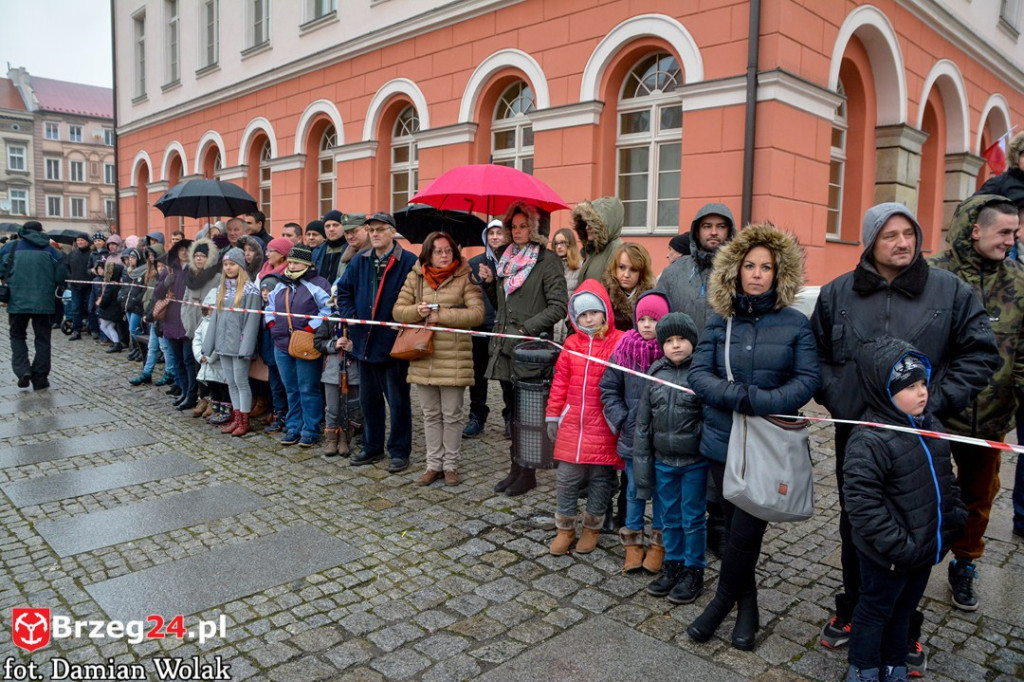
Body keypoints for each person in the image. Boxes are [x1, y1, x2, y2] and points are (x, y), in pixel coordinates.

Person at [810, 203, 997, 669]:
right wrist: (843, 400)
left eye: (909, 233)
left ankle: (905, 628)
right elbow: (815, 355)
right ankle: (855, 608)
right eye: (890, 234)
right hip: (858, 433)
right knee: (858, 522)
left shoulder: (949, 291)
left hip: (922, 438)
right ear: (871, 241)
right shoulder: (837, 293)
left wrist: (932, 402)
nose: (902, 242)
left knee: (916, 522)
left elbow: (980, 353)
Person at [686, 223, 820, 651]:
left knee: (747, 532)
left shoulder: (796, 323)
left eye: (766, 266)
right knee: (728, 526)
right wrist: (734, 396)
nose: (758, 273)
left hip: (768, 445)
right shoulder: (720, 321)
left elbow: (807, 381)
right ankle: (749, 606)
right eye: (750, 265)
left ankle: (722, 603)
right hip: (723, 441)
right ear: (736, 271)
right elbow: (698, 374)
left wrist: (760, 399)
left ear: (779, 273)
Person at [842, 338, 966, 682]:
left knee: (904, 611)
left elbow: (945, 476)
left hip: (923, 549)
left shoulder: (932, 426)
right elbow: (862, 505)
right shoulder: (870, 440)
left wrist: (954, 516)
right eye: (910, 387)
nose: (922, 392)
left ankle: (894, 663)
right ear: (884, 392)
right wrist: (900, 545)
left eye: (923, 382)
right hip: (890, 555)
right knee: (875, 611)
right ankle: (864, 667)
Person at [929, 194, 1024, 611]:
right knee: (922, 492)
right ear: (976, 230)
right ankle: (912, 560)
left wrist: (1013, 396)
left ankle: (965, 564)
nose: (1011, 240)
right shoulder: (934, 275)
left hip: (991, 419)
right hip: (936, 414)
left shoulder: (1019, 281)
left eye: (1015, 233)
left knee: (978, 499)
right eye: (1004, 231)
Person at [657, 204, 737, 556]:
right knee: (684, 450)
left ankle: (719, 524)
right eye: (708, 226)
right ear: (696, 230)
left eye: (721, 226)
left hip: (724, 378)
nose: (714, 233)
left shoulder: (740, 273)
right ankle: (685, 523)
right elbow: (659, 319)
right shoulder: (675, 274)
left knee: (719, 453)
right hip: (681, 375)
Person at [478, 201, 568, 495]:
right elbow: (502, 304)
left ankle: (528, 472)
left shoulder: (547, 260)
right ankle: (516, 468)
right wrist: (491, 283)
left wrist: (525, 330)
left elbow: (558, 306)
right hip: (505, 349)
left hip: (529, 350)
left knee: (529, 414)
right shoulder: (505, 258)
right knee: (512, 412)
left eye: (523, 226)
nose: (517, 232)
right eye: (513, 227)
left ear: (535, 228)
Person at [393, 232, 485, 486]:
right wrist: (417, 311)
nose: (444, 255)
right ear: (428, 254)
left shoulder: (465, 276)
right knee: (431, 414)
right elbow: (398, 310)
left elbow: (477, 314)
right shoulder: (416, 276)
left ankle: (451, 465)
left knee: (452, 414)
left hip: (454, 356)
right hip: (423, 353)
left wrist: (441, 315)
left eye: (448, 250)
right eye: (438, 251)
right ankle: (433, 465)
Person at [545, 280, 625, 554]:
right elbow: (560, 383)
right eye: (583, 314)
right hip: (572, 423)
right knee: (567, 477)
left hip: (604, 424)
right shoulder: (571, 343)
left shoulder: (620, 341)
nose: (589, 318)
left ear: (605, 311)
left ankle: (593, 528)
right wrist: (553, 416)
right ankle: (565, 529)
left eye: (593, 312)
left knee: (601, 478)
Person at [633, 311, 706, 604]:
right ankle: (673, 564)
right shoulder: (655, 373)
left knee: (693, 518)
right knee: (668, 517)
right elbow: (643, 422)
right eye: (670, 340)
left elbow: (710, 417)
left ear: (692, 341)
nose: (676, 345)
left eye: (682, 339)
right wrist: (643, 465)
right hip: (663, 461)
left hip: (693, 463)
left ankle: (694, 570)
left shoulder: (701, 375)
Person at [336, 212, 416, 470]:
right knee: (369, 402)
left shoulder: (409, 262)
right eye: (371, 230)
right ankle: (372, 447)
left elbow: (416, 299)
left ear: (393, 232)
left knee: (399, 402)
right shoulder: (360, 260)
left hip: (394, 345)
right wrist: (350, 317)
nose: (375, 234)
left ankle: (399, 451)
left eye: (381, 229)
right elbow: (344, 292)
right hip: (364, 343)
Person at [599, 290, 670, 572]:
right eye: (642, 318)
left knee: (663, 493)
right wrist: (623, 417)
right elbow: (608, 388)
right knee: (634, 492)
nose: (646, 324)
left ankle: (658, 545)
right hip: (632, 437)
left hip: (665, 439)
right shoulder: (624, 351)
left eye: (653, 319)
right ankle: (633, 543)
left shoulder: (672, 352)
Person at [265, 245, 332, 447]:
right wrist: (271, 325)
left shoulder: (318, 284)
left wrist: (311, 329)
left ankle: (310, 429)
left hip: (305, 344)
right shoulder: (281, 284)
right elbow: (269, 306)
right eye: (290, 261)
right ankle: (294, 427)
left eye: (296, 262)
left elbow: (328, 309)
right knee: (291, 389)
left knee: (308, 388)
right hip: (282, 344)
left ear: (307, 263)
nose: (291, 265)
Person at [203, 248, 262, 437]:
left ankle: (244, 421)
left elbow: (252, 322)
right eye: (226, 264)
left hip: (239, 345)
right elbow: (215, 319)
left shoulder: (250, 290)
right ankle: (235, 419)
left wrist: (246, 347)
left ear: (240, 266)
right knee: (230, 383)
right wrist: (209, 344)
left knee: (241, 382)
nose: (228, 268)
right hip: (223, 344)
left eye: (232, 264)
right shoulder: (223, 288)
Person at [0, 221, 66, 390]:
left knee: (17, 336)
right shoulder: (52, 251)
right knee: (43, 340)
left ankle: (23, 371)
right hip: (44, 302)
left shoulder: (9, 248)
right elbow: (61, 277)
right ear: (41, 232)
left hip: (17, 301)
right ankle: (40, 377)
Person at [465, 219, 509, 437]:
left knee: (507, 378)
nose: (494, 237)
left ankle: (511, 417)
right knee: (478, 377)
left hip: (504, 329)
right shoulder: (475, 263)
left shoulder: (514, 262)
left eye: (499, 233)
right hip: (480, 328)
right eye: (491, 233)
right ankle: (477, 416)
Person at [179, 238, 222, 411]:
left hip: (208, 326)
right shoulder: (190, 275)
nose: (198, 259)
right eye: (196, 255)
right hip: (192, 325)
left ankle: (213, 399)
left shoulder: (216, 276)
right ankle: (201, 397)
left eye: (203, 256)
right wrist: (186, 320)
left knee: (209, 363)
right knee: (194, 362)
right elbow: (184, 300)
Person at [154, 239, 193, 402]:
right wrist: (165, 283)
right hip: (171, 319)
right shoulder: (170, 270)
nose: (184, 252)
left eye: (187, 249)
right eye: (181, 249)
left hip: (188, 321)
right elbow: (157, 293)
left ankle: (192, 394)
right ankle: (184, 391)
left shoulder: (195, 269)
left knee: (188, 360)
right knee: (178, 361)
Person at [192, 293, 229, 421]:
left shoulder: (222, 323)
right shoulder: (203, 323)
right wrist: (199, 355)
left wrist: (211, 357)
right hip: (206, 362)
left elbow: (220, 341)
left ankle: (225, 412)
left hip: (218, 363)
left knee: (223, 387)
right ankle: (216, 409)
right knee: (212, 387)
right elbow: (196, 340)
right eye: (210, 309)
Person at [604, 242, 655, 332]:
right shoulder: (605, 295)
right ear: (615, 267)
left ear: (642, 272)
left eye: (633, 269)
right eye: (622, 267)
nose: (626, 275)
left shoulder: (651, 297)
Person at [572, 196, 624, 284]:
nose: (587, 227)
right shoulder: (593, 249)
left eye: (593, 223)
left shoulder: (617, 250)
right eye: (586, 223)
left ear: (604, 225)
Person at [551, 227, 583, 343]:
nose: (559, 247)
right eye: (556, 243)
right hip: (552, 326)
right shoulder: (549, 268)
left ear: (570, 244)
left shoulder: (580, 268)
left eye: (563, 243)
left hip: (571, 327)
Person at [66, 233, 92, 340]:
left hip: (89, 286)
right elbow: (66, 267)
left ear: (87, 241)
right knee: (75, 308)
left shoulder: (92, 253)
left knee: (90, 308)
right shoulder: (72, 254)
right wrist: (71, 277)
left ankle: (92, 329)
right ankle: (76, 330)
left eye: (82, 240)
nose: (80, 242)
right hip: (75, 285)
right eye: (78, 240)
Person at [312, 209, 349, 283]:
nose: (331, 229)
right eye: (327, 226)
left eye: (335, 225)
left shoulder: (351, 249)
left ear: (344, 226)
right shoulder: (317, 252)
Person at [96, 260, 125, 353]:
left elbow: (106, 299)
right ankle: (116, 342)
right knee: (109, 326)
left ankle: (116, 343)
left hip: (110, 311)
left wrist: (100, 305)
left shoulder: (111, 285)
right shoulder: (118, 284)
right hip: (115, 310)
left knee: (104, 326)